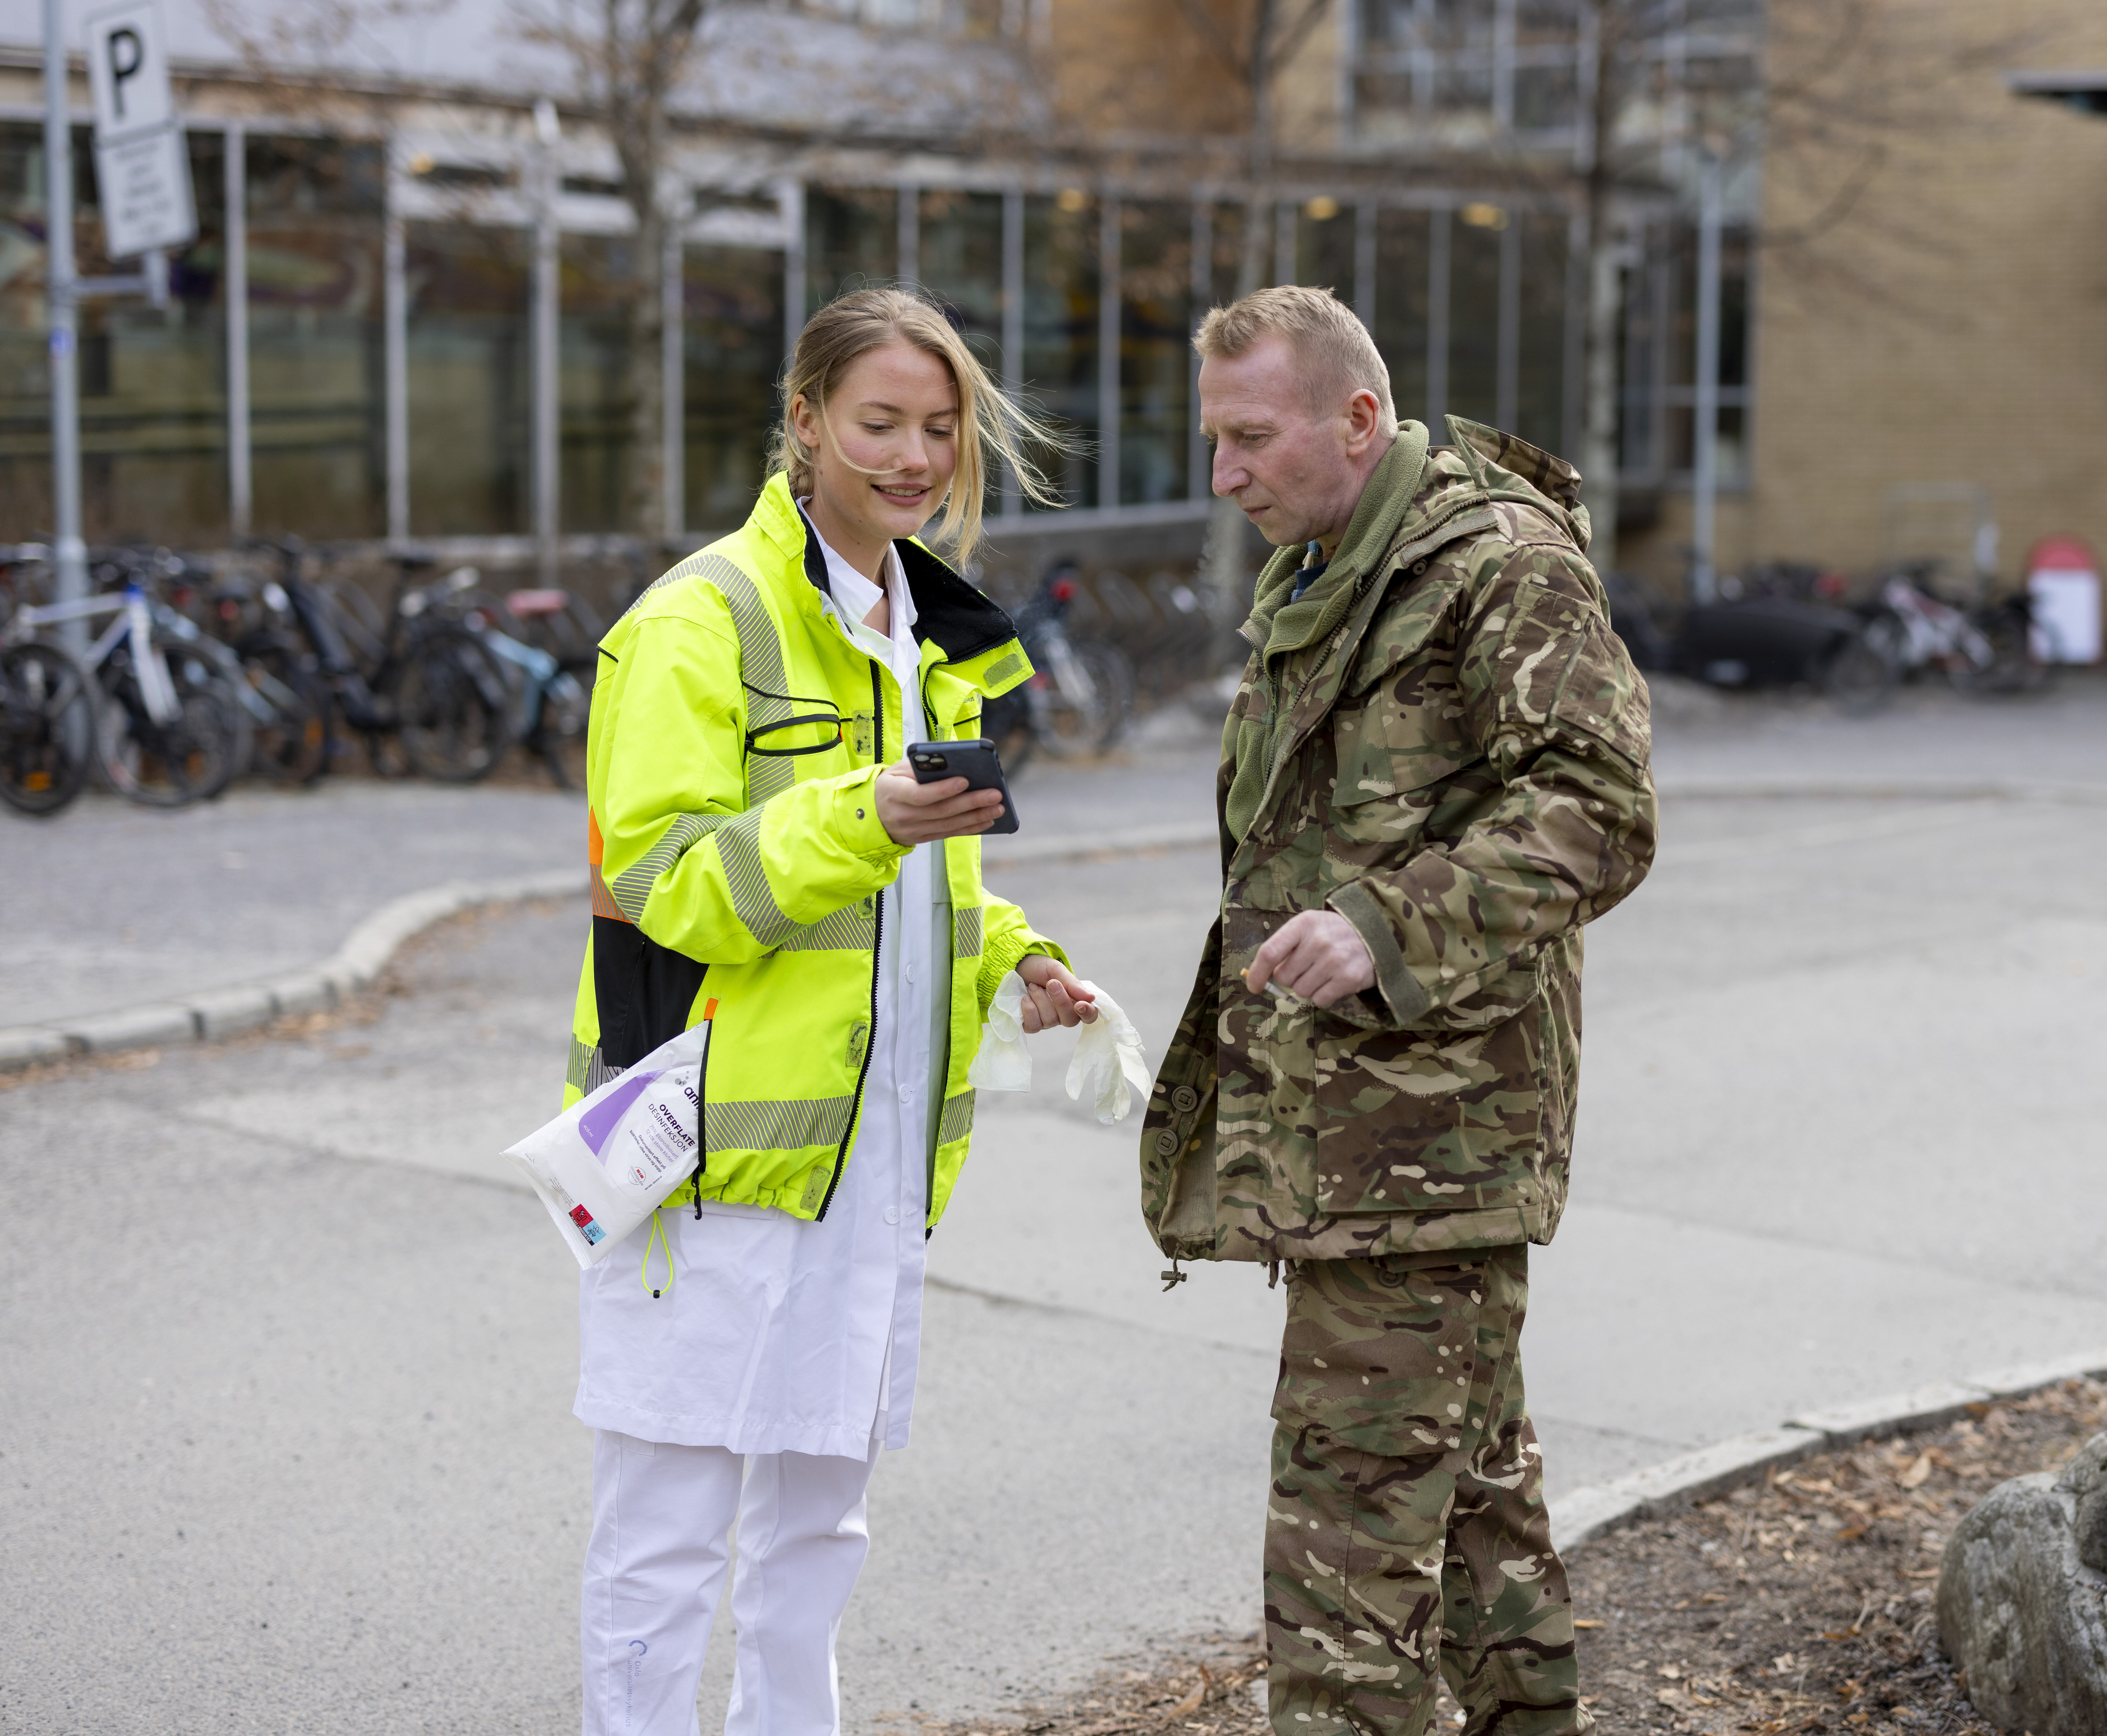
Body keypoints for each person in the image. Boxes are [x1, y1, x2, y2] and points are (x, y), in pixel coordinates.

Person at [567, 285, 1097, 1735]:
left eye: (940, 427)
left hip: (868, 1170)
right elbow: (667, 884)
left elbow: (928, 902)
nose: (915, 455)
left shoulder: (930, 633)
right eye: (880, 423)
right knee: (668, 1535)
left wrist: (1019, 963)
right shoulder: (693, 621)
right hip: (709, 1158)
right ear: (802, 424)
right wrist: (865, 812)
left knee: (820, 1532)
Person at [1141, 285, 1659, 1736]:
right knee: (1477, 1510)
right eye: (1215, 440)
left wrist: (1381, 929)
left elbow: (1599, 810)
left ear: (1357, 421)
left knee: (1343, 1562)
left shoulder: (1497, 565)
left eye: (1250, 438)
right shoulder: (1329, 569)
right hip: (1364, 1142)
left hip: (1427, 1148)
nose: (1225, 474)